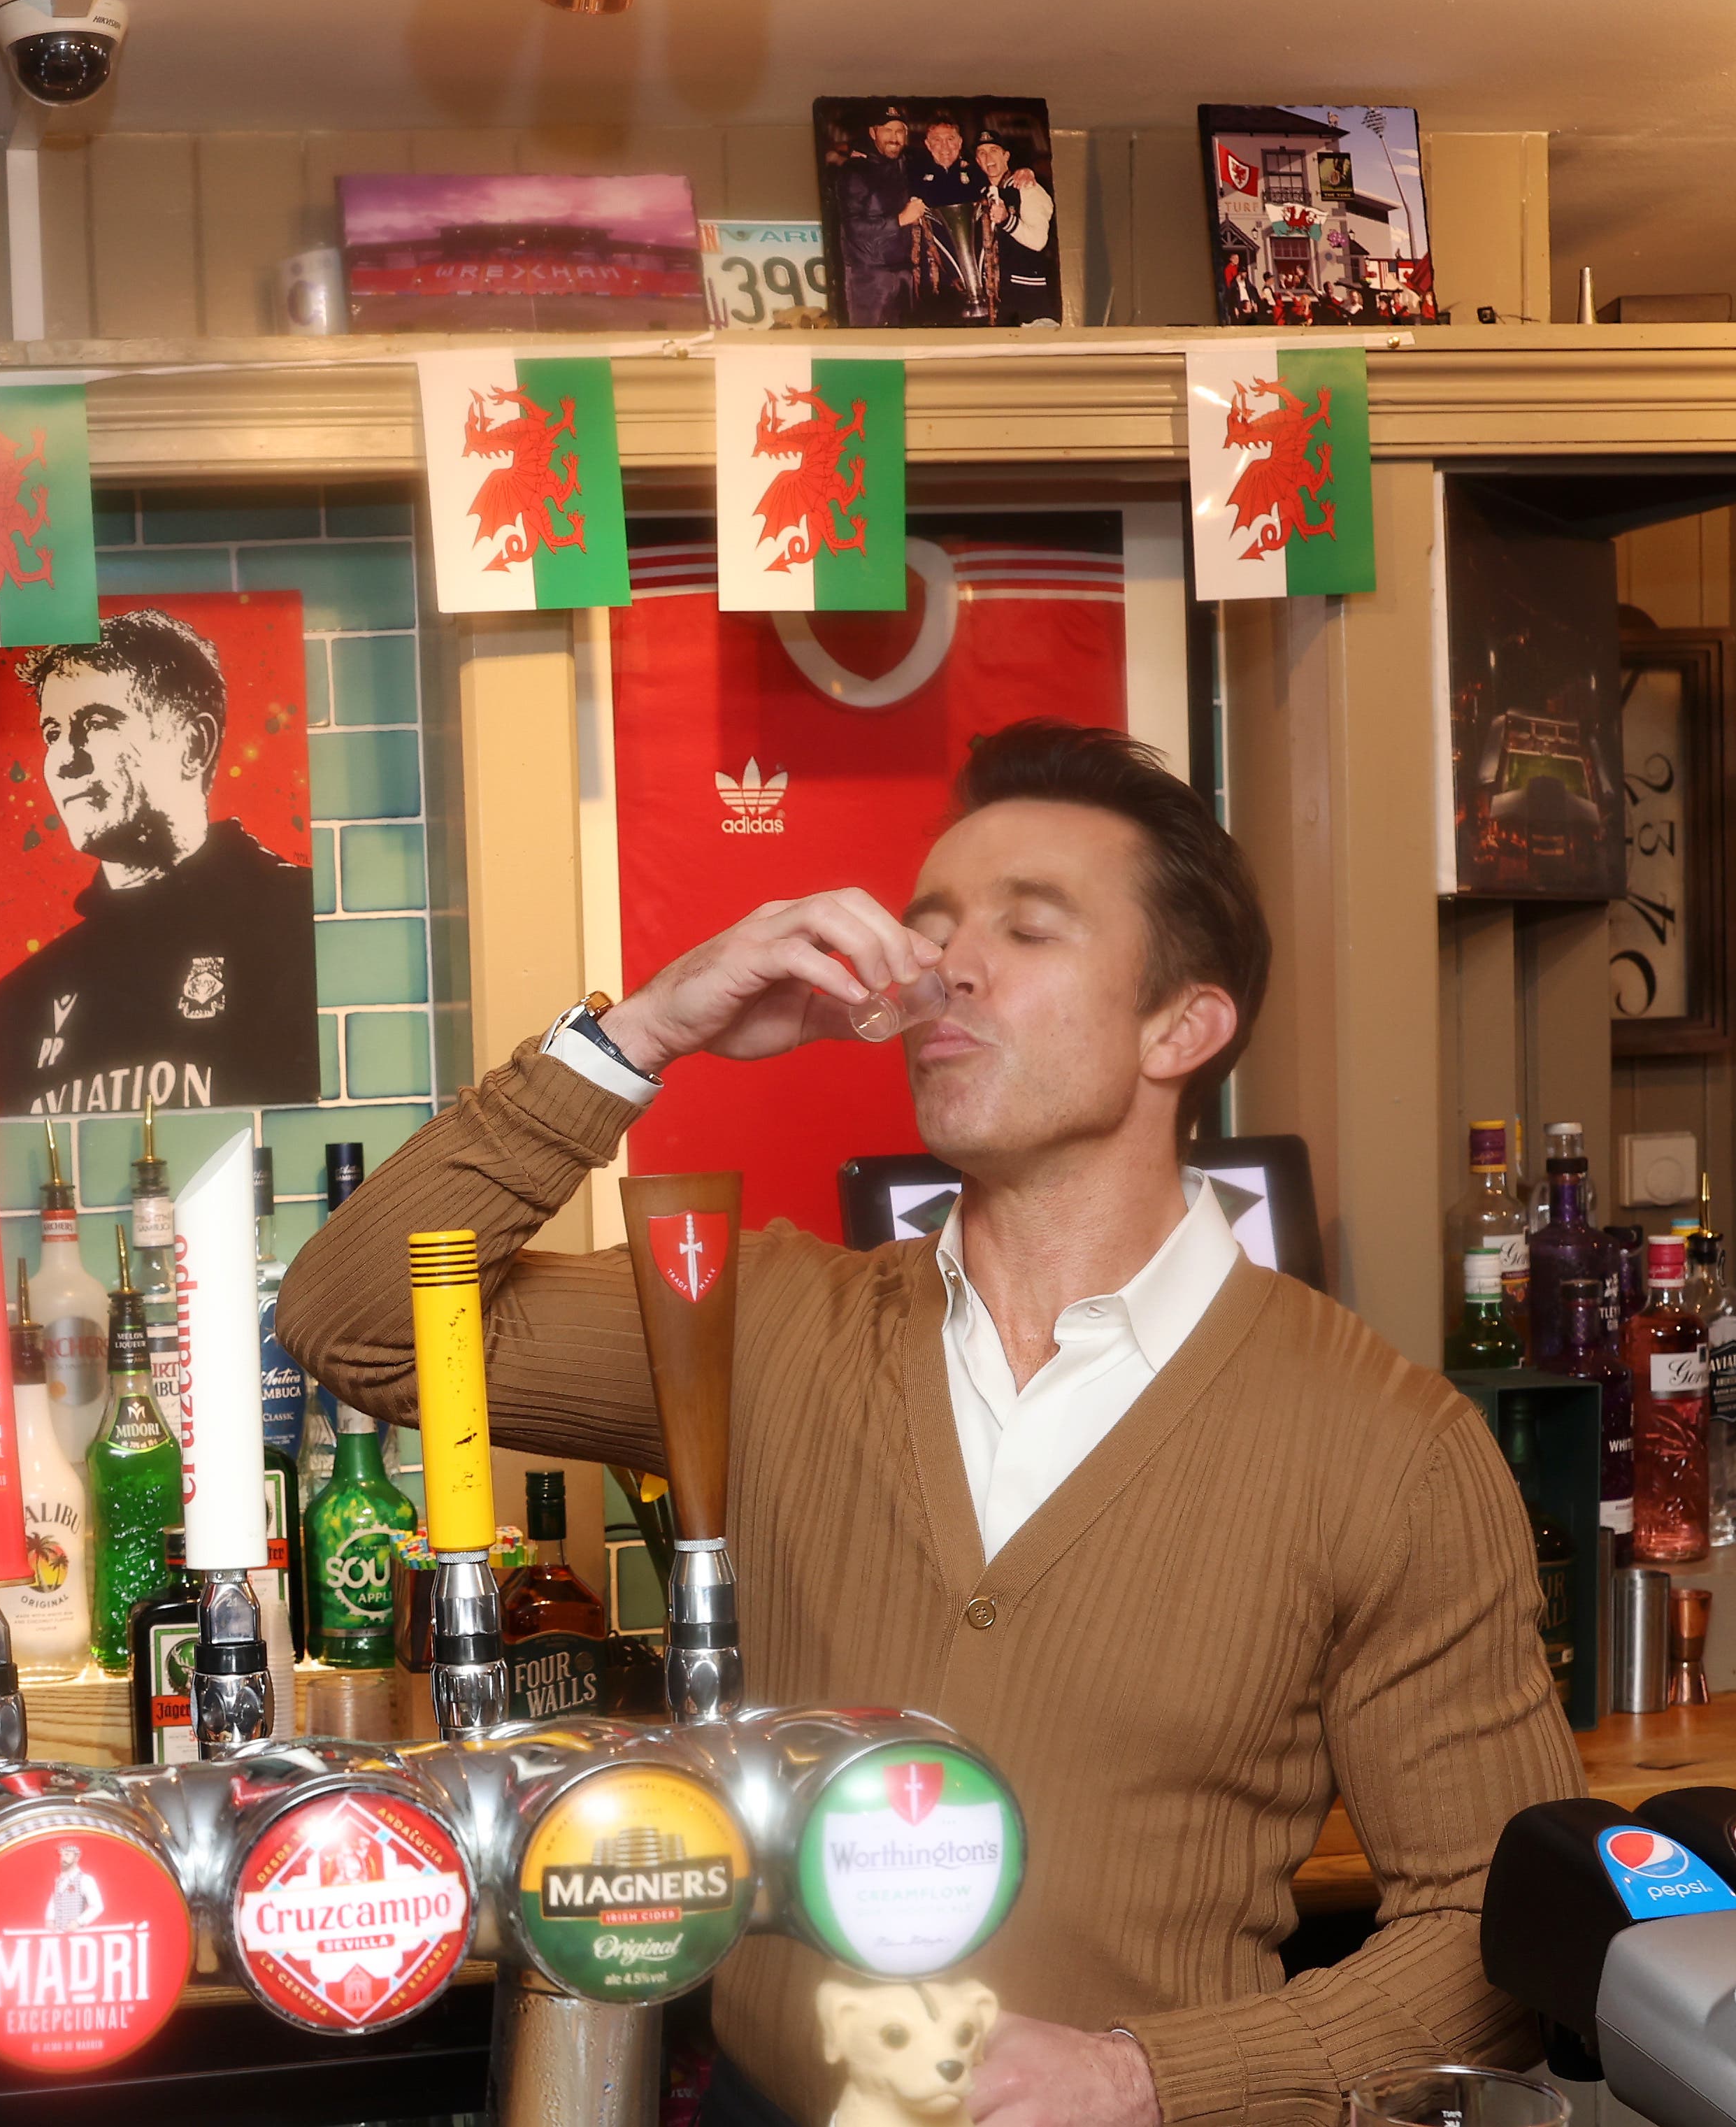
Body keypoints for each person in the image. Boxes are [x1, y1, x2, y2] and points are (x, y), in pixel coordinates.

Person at [278, 720, 1586, 2127]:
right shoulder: (758, 1319)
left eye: (1027, 930)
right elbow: (353, 1318)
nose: (943, 965)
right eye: (930, 926)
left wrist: (1142, 2078)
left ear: (1183, 1026)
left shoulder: (1383, 1445)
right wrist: (648, 1029)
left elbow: (1493, 1932)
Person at [0, 606, 317, 1117]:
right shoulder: (21, 1002)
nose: (66, 760)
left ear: (192, 745)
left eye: (96, 724)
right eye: (52, 732)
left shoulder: (295, 920)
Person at [832, 106, 923, 327]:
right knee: (870, 351)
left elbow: (945, 156)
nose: (894, 138)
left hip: (904, 276)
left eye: (899, 131)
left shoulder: (906, 164)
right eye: (887, 130)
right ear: (873, 133)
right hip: (869, 280)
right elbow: (854, 228)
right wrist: (900, 220)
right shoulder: (855, 171)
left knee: (904, 353)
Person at [905, 116, 993, 324]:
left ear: (960, 142)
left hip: (975, 270)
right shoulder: (913, 174)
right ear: (927, 144)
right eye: (937, 140)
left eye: (951, 139)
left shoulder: (976, 172)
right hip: (936, 275)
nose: (945, 146)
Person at [977, 134, 1058, 324]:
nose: (988, 158)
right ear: (977, 161)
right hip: (999, 304)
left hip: (1030, 302)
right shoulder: (982, 193)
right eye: (982, 153)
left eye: (994, 151)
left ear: (1006, 156)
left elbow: (1038, 242)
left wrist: (1007, 221)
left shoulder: (1028, 188)